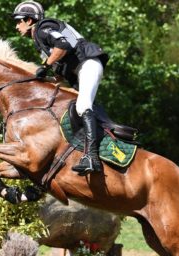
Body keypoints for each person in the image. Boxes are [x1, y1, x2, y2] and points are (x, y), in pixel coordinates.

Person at [12, 1, 109, 175]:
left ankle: (92, 157)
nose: (16, 26)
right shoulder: (39, 38)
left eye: (18, 21)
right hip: (81, 69)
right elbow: (59, 73)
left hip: (88, 64)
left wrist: (45, 65)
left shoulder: (42, 27)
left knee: (82, 106)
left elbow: (63, 45)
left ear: (29, 20)